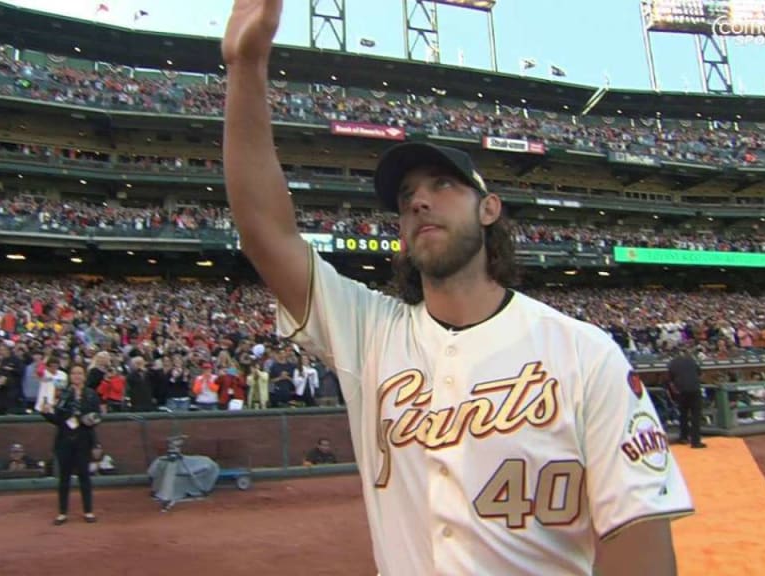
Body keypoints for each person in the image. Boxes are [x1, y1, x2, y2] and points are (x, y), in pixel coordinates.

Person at [221, 2, 694, 574]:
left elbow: (640, 551)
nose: (418, 199)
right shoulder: (369, 332)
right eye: (406, 196)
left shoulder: (584, 354)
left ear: (489, 208)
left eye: (443, 185)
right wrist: (245, 67)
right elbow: (264, 231)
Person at [40, 363, 101, 525]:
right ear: (70, 376)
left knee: (84, 477)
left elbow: (97, 417)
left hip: (84, 440)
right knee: (64, 478)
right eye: (74, 373)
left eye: (80, 373)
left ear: (84, 376)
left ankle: (88, 511)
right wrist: (45, 413)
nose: (77, 376)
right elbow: (58, 420)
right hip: (64, 440)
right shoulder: (64, 394)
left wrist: (85, 419)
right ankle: (62, 513)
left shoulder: (91, 394)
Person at [667, 345, 706, 449]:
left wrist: (676, 391)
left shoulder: (672, 363)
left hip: (681, 390)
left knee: (683, 415)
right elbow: (700, 375)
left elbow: (670, 381)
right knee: (695, 416)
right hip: (694, 389)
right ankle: (695, 441)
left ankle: (683, 437)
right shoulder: (691, 360)